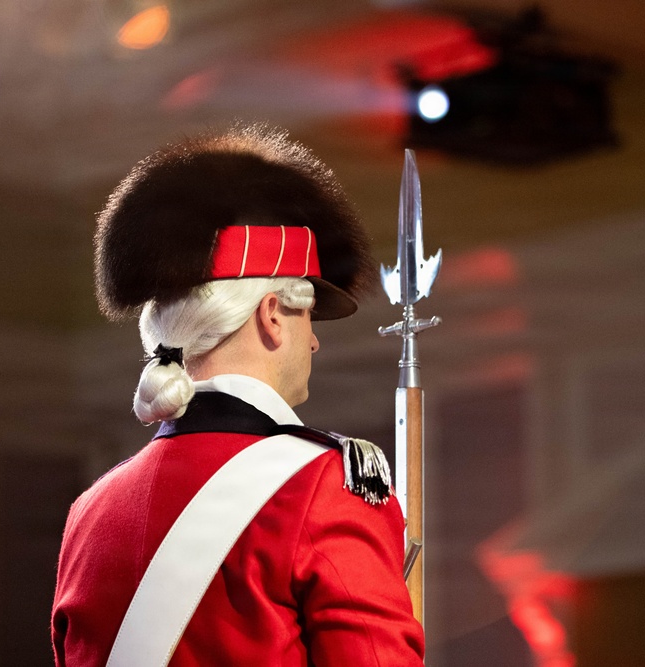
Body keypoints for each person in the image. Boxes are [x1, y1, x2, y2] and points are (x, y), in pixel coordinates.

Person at [51, 124, 425, 666]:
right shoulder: (324, 487)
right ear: (273, 315)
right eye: (306, 315)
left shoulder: (91, 511)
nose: (314, 341)